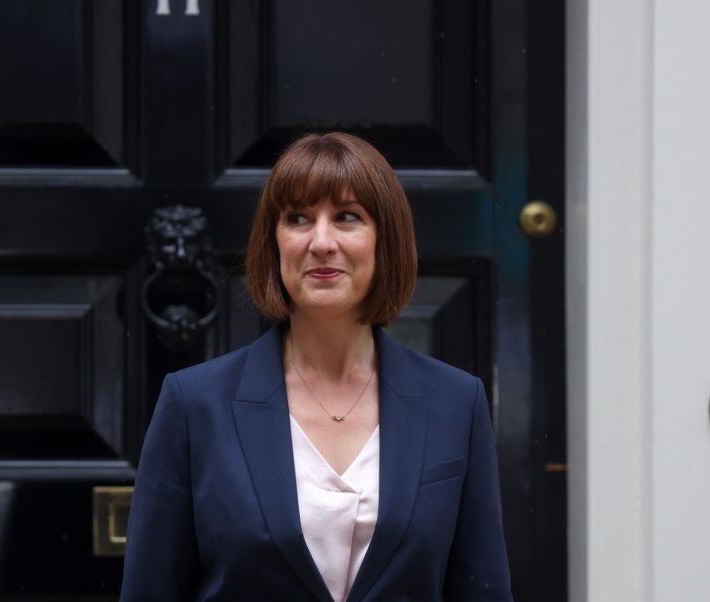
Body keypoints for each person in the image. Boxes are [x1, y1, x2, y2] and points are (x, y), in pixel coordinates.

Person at [121, 132, 512, 601]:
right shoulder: (195, 404)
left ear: (384, 240)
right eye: (298, 219)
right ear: (275, 243)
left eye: (347, 217)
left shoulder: (456, 402)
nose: (321, 241)